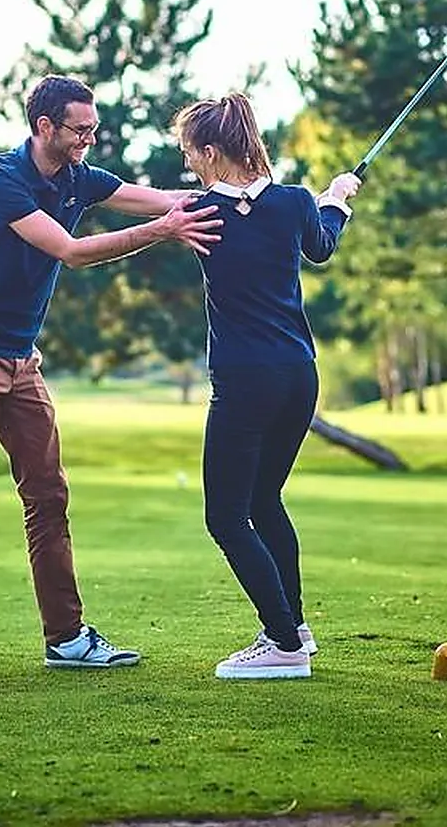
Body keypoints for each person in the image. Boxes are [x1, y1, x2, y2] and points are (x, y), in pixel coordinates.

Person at [0, 74, 222, 680]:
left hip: (19, 358)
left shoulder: (79, 177)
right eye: (80, 129)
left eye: (93, 128)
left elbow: (161, 198)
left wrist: (244, 197)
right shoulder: (1, 181)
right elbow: (71, 251)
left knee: (49, 494)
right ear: (44, 127)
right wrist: (161, 233)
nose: (90, 138)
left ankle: (66, 637)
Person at [171, 92, 361, 679]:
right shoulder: (293, 203)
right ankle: (295, 627)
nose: (189, 166)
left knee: (225, 517)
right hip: (298, 376)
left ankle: (282, 643)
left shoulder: (201, 212)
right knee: (262, 500)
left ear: (210, 151)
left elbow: (174, 217)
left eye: (190, 155)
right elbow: (321, 245)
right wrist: (336, 200)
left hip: (244, 381)